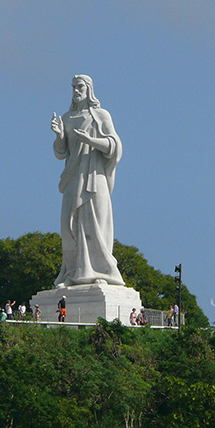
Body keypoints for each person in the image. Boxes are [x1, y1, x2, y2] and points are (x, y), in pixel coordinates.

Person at [51, 75, 124, 287]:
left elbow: (115, 146)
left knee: (97, 226)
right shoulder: (67, 117)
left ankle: (103, 272)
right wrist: (58, 136)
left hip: (96, 177)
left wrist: (90, 141)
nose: (76, 90)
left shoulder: (101, 115)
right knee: (70, 227)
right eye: (73, 87)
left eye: (80, 86)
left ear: (89, 89)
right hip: (74, 179)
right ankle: (73, 272)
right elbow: (61, 152)